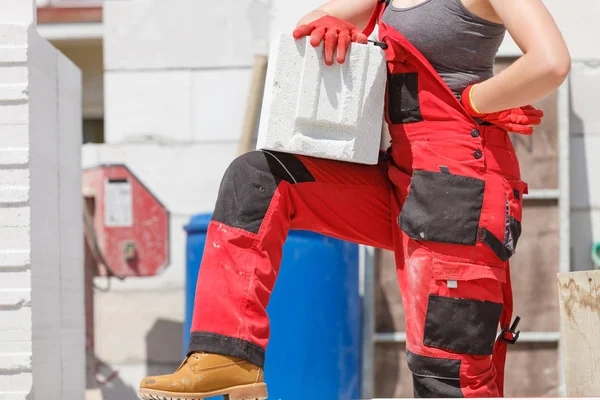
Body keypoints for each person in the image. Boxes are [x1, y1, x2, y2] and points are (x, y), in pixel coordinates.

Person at [138, 0, 570, 398]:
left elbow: (550, 62)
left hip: (460, 187)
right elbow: (308, 27)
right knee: (258, 178)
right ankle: (225, 356)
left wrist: (473, 100)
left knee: (446, 375)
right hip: (400, 177)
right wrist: (327, 30)